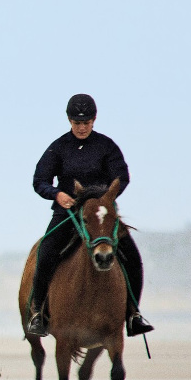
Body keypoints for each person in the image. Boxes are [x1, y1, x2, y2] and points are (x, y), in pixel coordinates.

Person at [26, 93, 153, 337]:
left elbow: (122, 177)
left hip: (101, 216)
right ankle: (38, 314)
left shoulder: (106, 146)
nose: (82, 127)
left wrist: (106, 198)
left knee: (133, 257)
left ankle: (134, 315)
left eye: (86, 122)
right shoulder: (58, 147)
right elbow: (40, 180)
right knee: (46, 252)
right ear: (69, 120)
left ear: (94, 120)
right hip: (68, 214)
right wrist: (56, 194)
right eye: (77, 123)